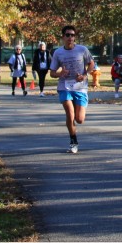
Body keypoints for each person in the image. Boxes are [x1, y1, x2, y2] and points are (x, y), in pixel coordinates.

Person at [50, 25, 95, 154]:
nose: (70, 37)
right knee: (70, 114)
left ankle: (77, 111)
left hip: (80, 87)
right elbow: (52, 73)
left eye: (73, 35)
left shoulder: (82, 50)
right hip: (64, 87)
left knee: (79, 119)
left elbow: (91, 63)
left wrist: (85, 75)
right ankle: (73, 141)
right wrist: (60, 73)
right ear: (63, 37)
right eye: (68, 35)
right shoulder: (58, 53)